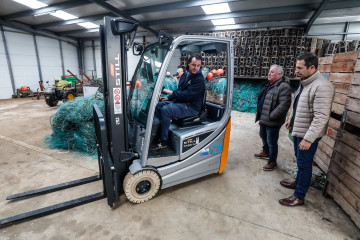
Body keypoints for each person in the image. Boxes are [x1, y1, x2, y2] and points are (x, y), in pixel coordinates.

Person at [279, 53, 334, 207]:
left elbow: (321, 117)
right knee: (300, 159)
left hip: (307, 134)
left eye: (300, 68)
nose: (296, 70)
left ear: (312, 67)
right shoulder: (306, 83)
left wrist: (308, 139)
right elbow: (299, 106)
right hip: (300, 129)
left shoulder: (322, 86)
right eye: (296, 67)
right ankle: (298, 183)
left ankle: (299, 196)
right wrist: (291, 120)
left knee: (305, 164)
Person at [150, 54, 205, 150]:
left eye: (198, 65)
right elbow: (180, 91)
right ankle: (160, 132)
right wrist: (169, 98)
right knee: (158, 106)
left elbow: (187, 95)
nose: (195, 68)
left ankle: (163, 141)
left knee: (166, 110)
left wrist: (168, 91)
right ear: (188, 64)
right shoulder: (185, 75)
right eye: (193, 65)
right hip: (183, 103)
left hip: (191, 107)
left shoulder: (199, 79)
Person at [254, 65, 292, 171]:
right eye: (269, 72)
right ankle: (265, 152)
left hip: (272, 120)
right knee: (263, 135)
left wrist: (271, 116)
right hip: (264, 117)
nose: (269, 74)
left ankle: (272, 161)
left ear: (279, 74)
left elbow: (284, 105)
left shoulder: (284, 87)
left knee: (272, 141)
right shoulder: (269, 84)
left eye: (272, 72)